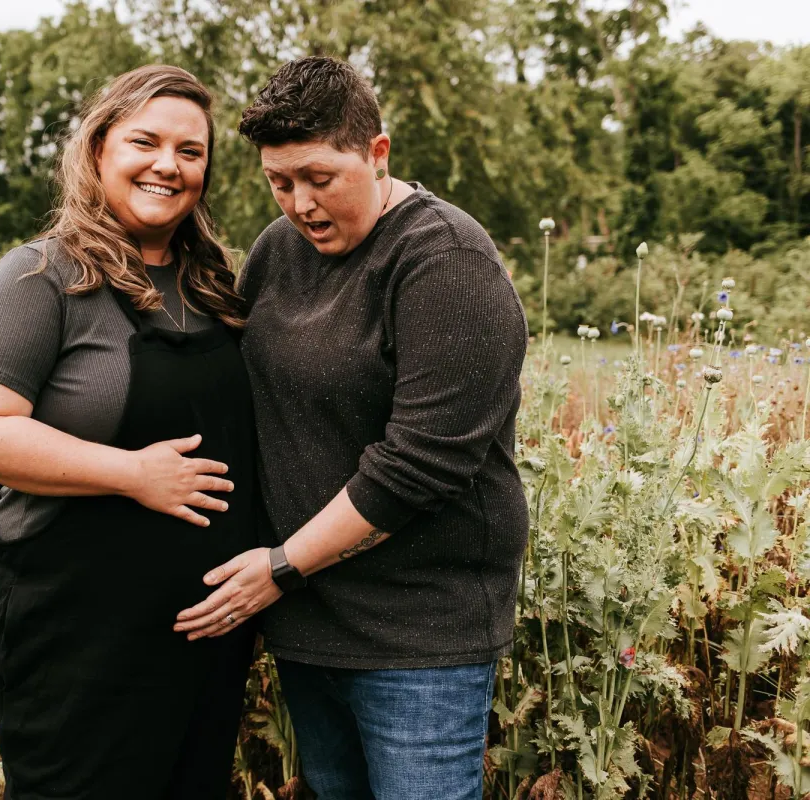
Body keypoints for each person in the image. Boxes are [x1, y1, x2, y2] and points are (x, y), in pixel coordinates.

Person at [173, 56, 530, 800]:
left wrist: (279, 566)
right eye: (279, 182)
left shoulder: (446, 262)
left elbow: (418, 466)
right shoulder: (278, 252)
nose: (299, 204)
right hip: (308, 623)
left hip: (419, 638)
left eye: (319, 178)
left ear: (378, 152)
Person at [0, 64, 257, 800]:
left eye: (191, 151)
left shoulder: (213, 284)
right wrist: (131, 473)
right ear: (97, 151)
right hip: (77, 637)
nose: (168, 165)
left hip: (203, 638)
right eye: (144, 142)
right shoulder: (41, 277)